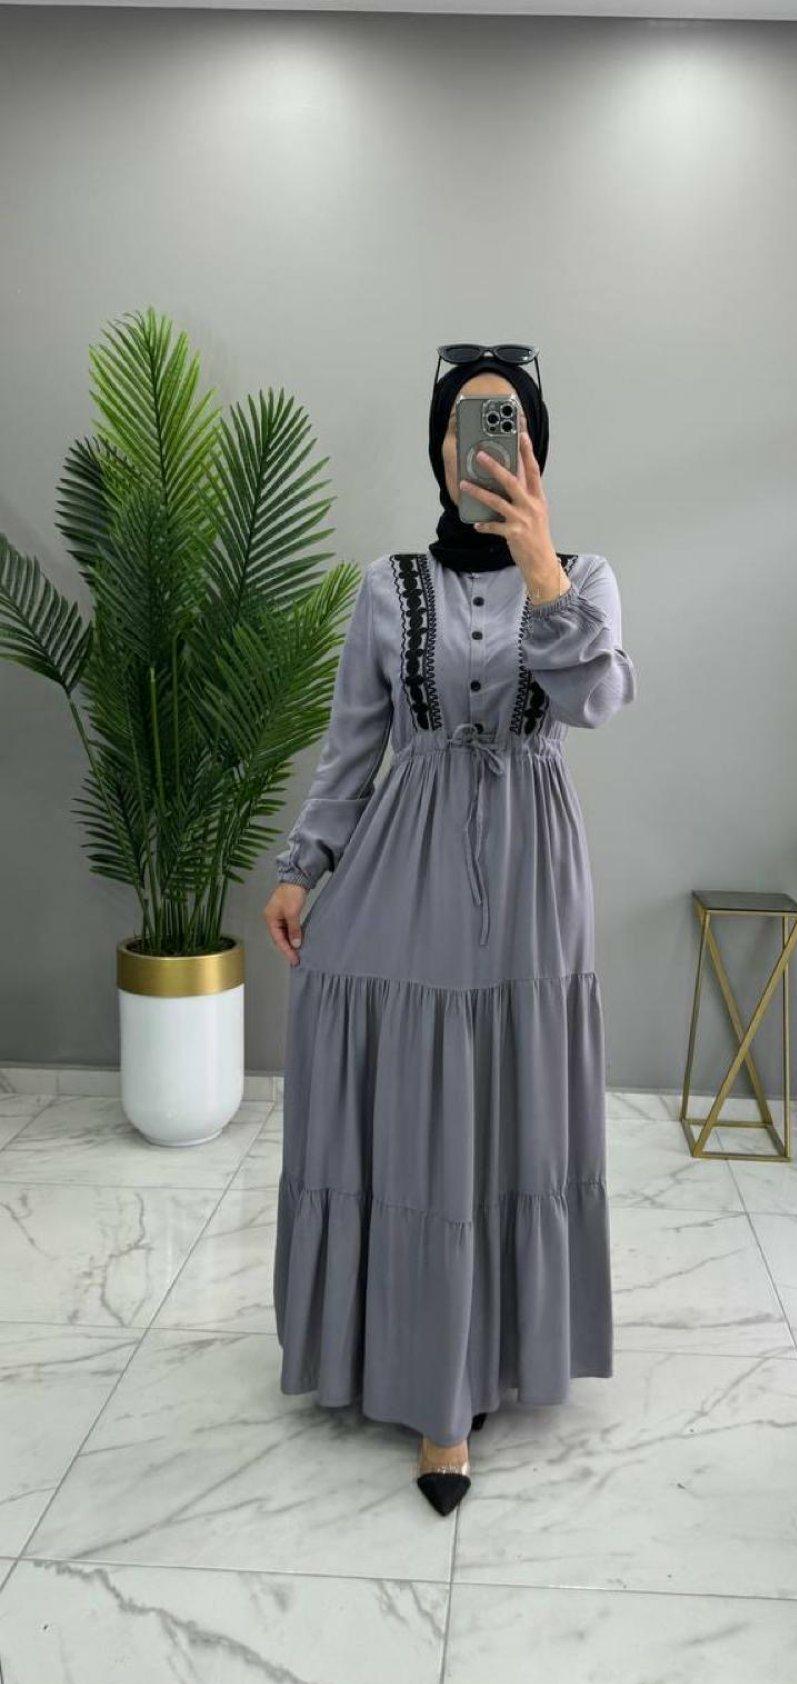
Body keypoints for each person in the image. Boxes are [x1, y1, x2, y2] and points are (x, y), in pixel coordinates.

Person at [263, 345, 637, 1515]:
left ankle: (497, 1352)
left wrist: (541, 567)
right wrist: (304, 865)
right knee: (422, 1107)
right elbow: (353, 743)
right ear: (438, 448)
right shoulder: (389, 586)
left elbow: (594, 700)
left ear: (534, 447)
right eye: (464, 422)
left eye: (505, 421)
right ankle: (432, 1386)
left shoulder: (583, 574)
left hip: (531, 867)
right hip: (407, 854)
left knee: (511, 1098)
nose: (483, 441)